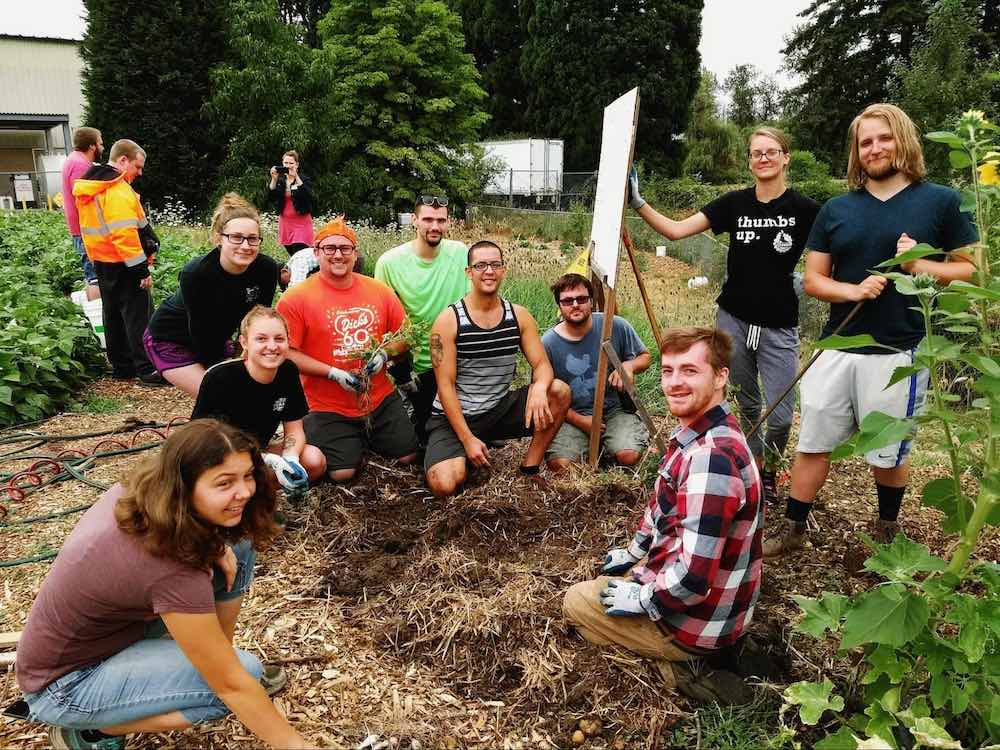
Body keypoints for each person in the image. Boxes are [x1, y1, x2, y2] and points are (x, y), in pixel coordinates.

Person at [764, 103, 977, 557]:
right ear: (856, 154)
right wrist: (853, 290)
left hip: (901, 349)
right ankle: (793, 529)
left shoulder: (939, 201)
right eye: (865, 142)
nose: (875, 148)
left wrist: (919, 265)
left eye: (883, 138)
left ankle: (885, 528)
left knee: (889, 450)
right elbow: (815, 278)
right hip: (839, 344)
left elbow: (974, 269)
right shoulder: (838, 209)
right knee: (814, 440)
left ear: (903, 140)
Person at [16, 420, 307, 750]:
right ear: (184, 485)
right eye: (224, 483)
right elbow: (232, 688)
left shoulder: (144, 494)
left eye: (247, 476)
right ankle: (91, 731)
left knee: (238, 546)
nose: (243, 492)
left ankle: (215, 657)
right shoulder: (170, 569)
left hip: (105, 635)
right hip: (66, 686)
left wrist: (217, 544)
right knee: (237, 684)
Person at [562, 327, 762, 696]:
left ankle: (685, 670)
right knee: (603, 590)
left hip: (693, 623)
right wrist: (634, 553)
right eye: (668, 371)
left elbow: (694, 580)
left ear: (721, 377)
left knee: (576, 605)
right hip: (710, 604)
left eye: (689, 370)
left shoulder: (711, 461)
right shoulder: (704, 433)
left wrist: (641, 598)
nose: (674, 382)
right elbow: (663, 509)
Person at [628, 126, 820, 502]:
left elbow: (838, 244)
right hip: (733, 319)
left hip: (779, 323)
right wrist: (638, 203)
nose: (762, 158)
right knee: (745, 402)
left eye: (770, 151)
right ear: (750, 161)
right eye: (755, 153)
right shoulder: (734, 204)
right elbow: (677, 231)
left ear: (785, 157)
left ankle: (771, 466)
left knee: (780, 413)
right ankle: (754, 468)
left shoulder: (806, 210)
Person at [276, 217, 419, 482]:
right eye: (329, 248)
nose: (338, 255)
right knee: (342, 473)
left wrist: (385, 353)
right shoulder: (295, 299)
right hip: (326, 403)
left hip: (378, 397)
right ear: (317, 253)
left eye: (345, 248)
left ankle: (365, 437)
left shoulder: (379, 290)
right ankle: (344, 441)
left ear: (355, 254)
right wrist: (332, 373)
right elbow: (287, 353)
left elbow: (406, 335)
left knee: (408, 457)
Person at [425, 240, 570, 498]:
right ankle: (463, 451)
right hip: (455, 416)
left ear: (504, 270)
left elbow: (542, 365)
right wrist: (467, 439)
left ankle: (530, 467)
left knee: (558, 391)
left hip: (498, 409)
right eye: (480, 265)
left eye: (495, 264)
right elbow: (444, 386)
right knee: (444, 484)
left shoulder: (520, 316)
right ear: (469, 272)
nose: (488, 271)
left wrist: (539, 386)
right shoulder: (447, 322)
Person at [144, 193, 279, 397]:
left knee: (249, 392)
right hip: (171, 338)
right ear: (219, 238)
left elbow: (259, 321)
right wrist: (227, 370)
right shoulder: (196, 273)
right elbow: (201, 334)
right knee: (220, 396)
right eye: (236, 237)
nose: (245, 246)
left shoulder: (267, 268)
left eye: (252, 239)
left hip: (215, 338)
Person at [191, 306, 326, 493]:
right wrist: (268, 460)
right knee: (236, 474)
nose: (272, 346)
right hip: (220, 457)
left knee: (313, 460)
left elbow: (294, 428)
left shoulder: (288, 371)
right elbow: (203, 443)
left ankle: (260, 491)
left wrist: (290, 458)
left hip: (258, 451)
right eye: (261, 339)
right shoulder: (219, 378)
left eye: (279, 338)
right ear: (244, 342)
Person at [374, 194, 470, 443]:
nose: (435, 226)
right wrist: (400, 366)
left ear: (449, 223)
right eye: (428, 219)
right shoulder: (390, 263)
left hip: (461, 360)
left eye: (441, 220)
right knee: (421, 438)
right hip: (419, 366)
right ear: (414, 220)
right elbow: (384, 321)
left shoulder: (461, 254)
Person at [74, 139, 165, 386]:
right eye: (137, 166)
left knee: (112, 313)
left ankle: (122, 367)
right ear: (123, 161)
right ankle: (146, 369)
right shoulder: (117, 190)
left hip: (103, 261)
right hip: (125, 263)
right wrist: (141, 270)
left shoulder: (93, 186)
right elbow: (124, 234)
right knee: (138, 315)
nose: (140, 172)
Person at [542, 273, 651, 469]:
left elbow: (645, 357)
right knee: (561, 465)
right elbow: (545, 395)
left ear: (591, 301)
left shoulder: (615, 325)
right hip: (573, 415)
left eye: (582, 299)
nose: (575, 304)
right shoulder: (548, 343)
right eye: (567, 301)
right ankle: (586, 444)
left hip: (616, 411)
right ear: (559, 305)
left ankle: (618, 440)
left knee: (628, 457)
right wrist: (582, 421)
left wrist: (629, 366)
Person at [61, 126, 103, 300]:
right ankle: (100, 321)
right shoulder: (80, 165)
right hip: (87, 230)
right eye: (100, 143)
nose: (102, 147)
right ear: (92, 146)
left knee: (92, 275)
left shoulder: (74, 160)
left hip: (82, 229)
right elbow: (84, 201)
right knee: (95, 278)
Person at [268, 150, 314, 256]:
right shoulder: (280, 181)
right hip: (285, 223)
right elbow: (271, 197)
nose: (288, 166)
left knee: (300, 254)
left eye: (291, 163)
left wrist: (296, 177)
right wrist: (274, 179)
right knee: (293, 256)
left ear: (297, 165)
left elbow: (308, 195)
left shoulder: (304, 179)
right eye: (286, 163)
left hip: (301, 223)